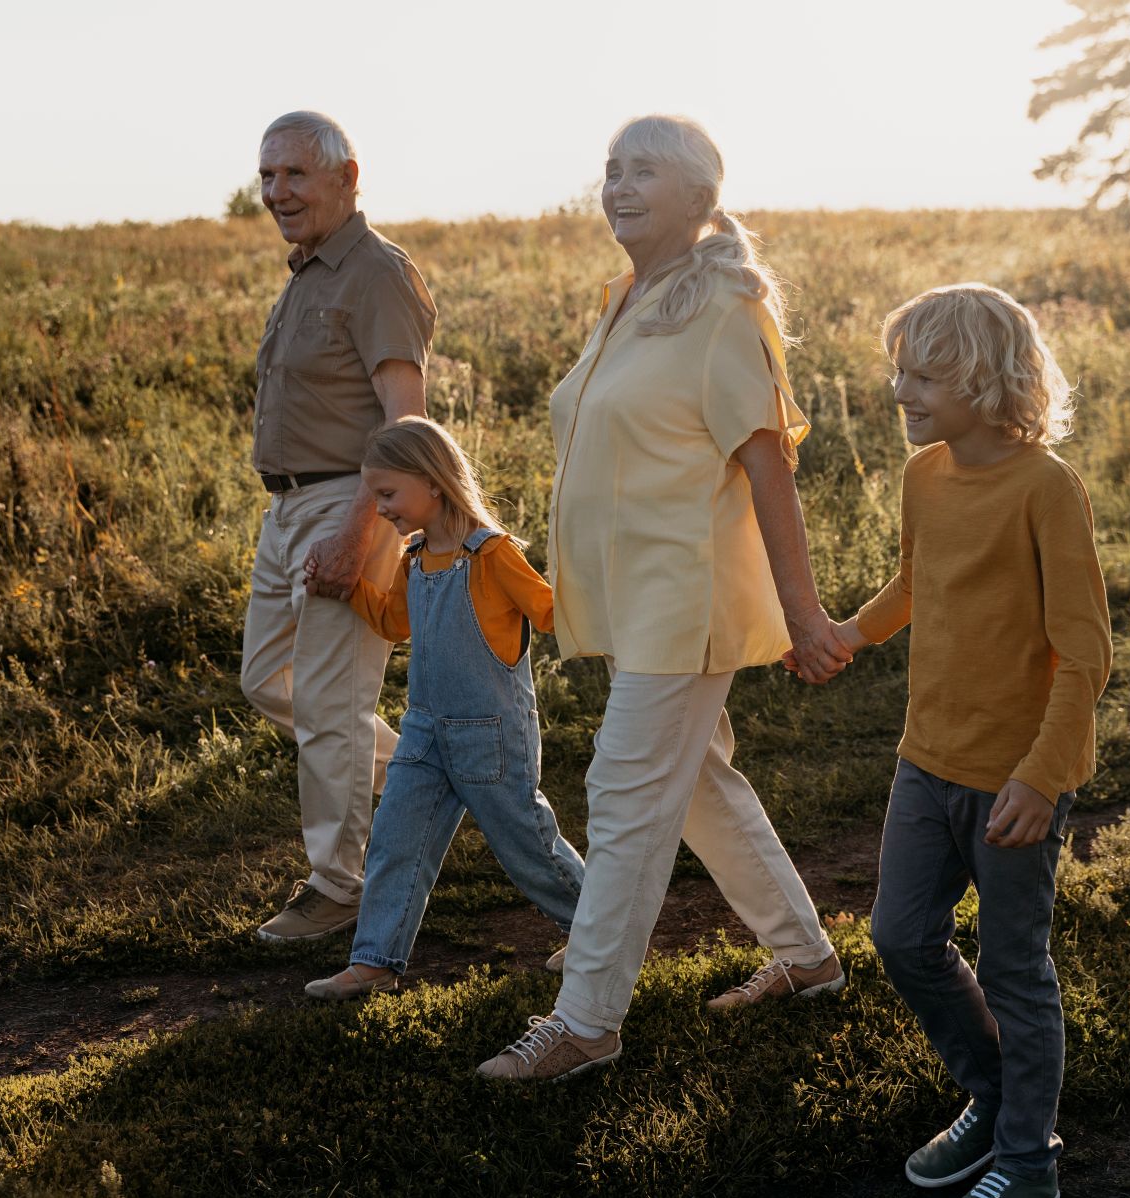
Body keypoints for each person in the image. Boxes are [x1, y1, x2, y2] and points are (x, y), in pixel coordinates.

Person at [476, 115, 854, 1083]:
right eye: (610, 169)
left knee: (626, 788)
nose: (618, 184)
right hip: (635, 597)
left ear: (700, 194)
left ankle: (588, 1021)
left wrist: (803, 614)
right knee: (694, 784)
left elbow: (767, 469)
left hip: (687, 597)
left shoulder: (725, 305)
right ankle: (809, 961)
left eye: (644, 169)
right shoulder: (630, 299)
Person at [831, 283, 1113, 1198]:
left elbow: (1085, 654)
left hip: (1015, 776)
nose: (900, 389)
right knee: (901, 936)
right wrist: (848, 635)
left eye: (923, 373)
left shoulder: (1046, 489)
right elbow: (916, 580)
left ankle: (1029, 1162)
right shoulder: (923, 474)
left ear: (987, 380)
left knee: (1014, 965)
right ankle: (992, 1098)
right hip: (926, 758)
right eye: (898, 369)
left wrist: (1043, 775)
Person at [240, 111, 438, 943]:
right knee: (265, 679)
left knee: (328, 701)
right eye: (268, 177)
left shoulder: (376, 273)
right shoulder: (308, 273)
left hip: (351, 501)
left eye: (295, 175)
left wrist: (363, 533)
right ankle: (429, 774)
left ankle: (339, 884)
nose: (278, 193)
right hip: (287, 507)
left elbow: (407, 420)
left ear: (347, 177)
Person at [302, 416, 584, 999]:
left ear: (433, 482)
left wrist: (601, 578)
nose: (378, 509)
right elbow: (395, 623)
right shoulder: (415, 558)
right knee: (395, 840)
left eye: (387, 494)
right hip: (424, 732)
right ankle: (375, 960)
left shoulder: (494, 555)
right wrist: (349, 585)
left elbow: (555, 613)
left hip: (491, 735)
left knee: (527, 844)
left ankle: (598, 933)